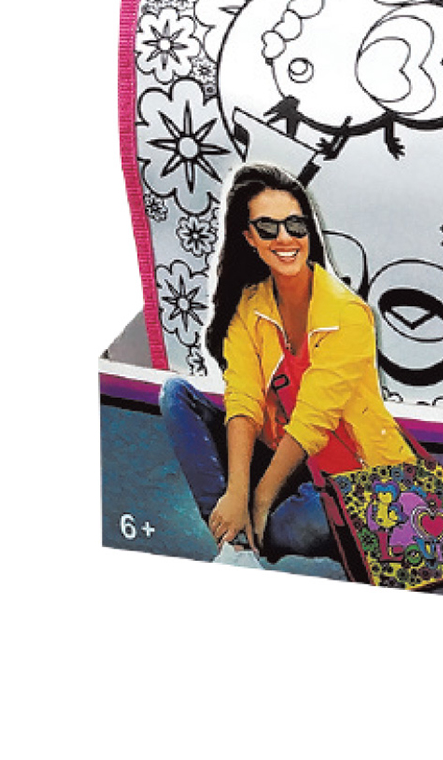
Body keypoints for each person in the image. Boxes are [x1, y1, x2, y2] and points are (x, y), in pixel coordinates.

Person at [159, 162, 413, 564]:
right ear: (248, 238)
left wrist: (260, 499)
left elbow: (313, 423)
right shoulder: (250, 305)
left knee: (303, 524)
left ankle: (252, 530)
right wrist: (237, 492)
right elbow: (243, 398)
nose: (285, 238)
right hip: (281, 457)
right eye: (267, 228)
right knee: (175, 395)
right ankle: (238, 546)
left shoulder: (347, 314)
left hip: (350, 473)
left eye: (296, 225)